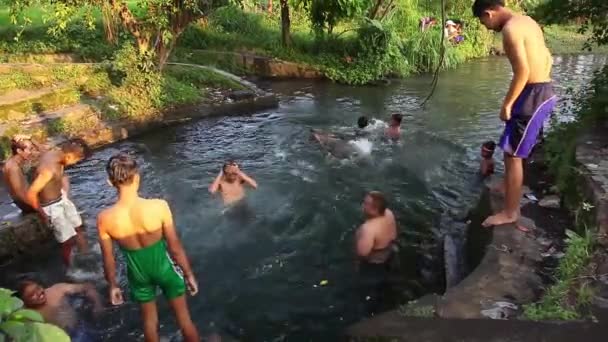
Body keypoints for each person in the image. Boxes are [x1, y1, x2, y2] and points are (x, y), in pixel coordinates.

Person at [97, 153, 200, 342]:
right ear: (137, 177)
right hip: (164, 268)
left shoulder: (105, 218)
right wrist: (189, 274)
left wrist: (113, 285)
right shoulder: (159, 206)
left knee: (149, 323)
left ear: (110, 183)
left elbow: (108, 258)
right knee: (184, 320)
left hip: (138, 273)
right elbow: (175, 247)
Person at [473, 0, 557, 229]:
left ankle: (510, 212)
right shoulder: (527, 21)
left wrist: (507, 104)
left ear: (489, 13)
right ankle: (507, 184)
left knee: (514, 154)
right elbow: (547, 58)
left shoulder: (510, 30)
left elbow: (523, 71)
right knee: (512, 144)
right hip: (539, 90)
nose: (488, 28)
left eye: (484, 22)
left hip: (534, 94)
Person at [26, 138, 91, 265]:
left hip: (61, 197)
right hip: (51, 206)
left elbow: (42, 149)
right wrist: (43, 215)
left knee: (78, 227)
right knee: (66, 241)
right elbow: (31, 193)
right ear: (69, 156)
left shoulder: (54, 153)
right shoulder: (48, 171)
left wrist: (31, 139)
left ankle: (86, 255)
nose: (75, 163)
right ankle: (71, 270)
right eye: (76, 160)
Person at [18, 279, 103, 341]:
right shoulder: (26, 315)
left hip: (81, 329)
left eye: (37, 288)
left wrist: (97, 305)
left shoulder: (57, 290)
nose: (39, 293)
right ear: (25, 302)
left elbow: (87, 287)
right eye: (32, 295)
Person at [3, 135, 37, 213]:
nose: (31, 152)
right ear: (19, 151)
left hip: (26, 202)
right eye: (30, 149)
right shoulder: (13, 168)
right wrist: (38, 208)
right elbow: (20, 193)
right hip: (28, 205)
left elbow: (44, 152)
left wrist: (29, 137)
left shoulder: (12, 161)